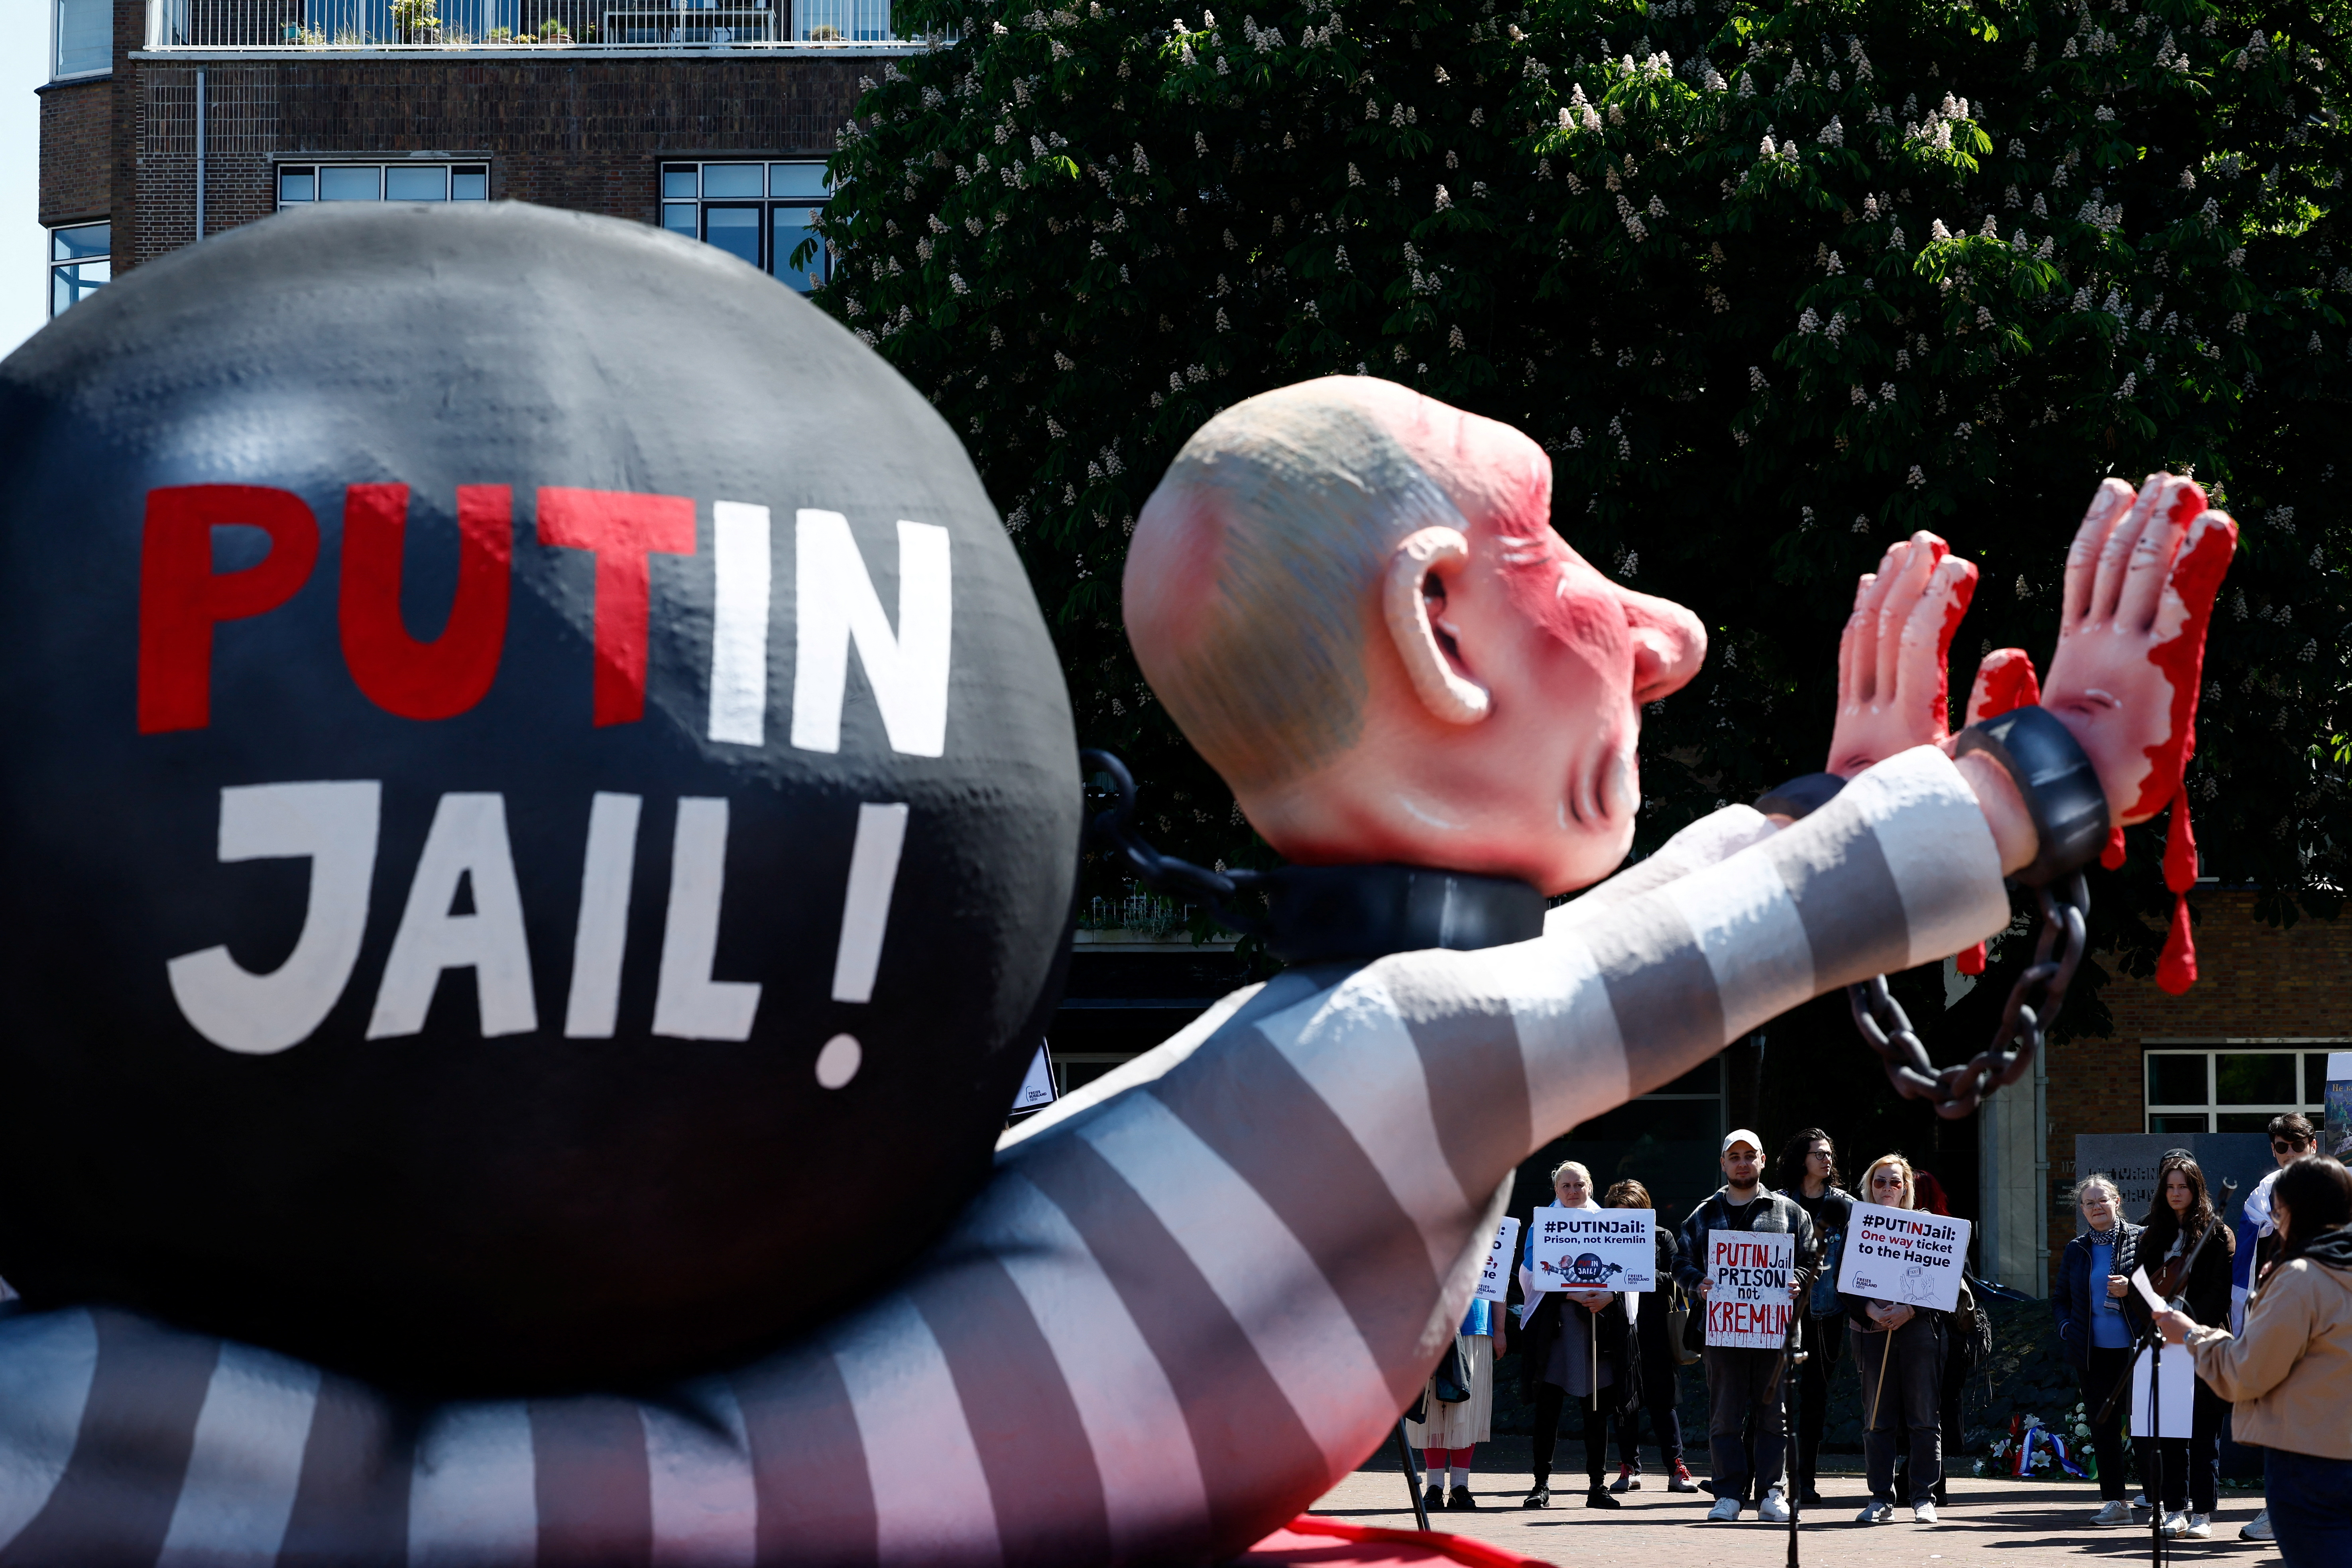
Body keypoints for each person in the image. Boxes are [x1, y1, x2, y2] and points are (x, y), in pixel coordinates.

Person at [0, 382, 2240, 1563]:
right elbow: (1672, 962)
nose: (1652, 629)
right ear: (1441, 630)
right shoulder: (1385, 1056)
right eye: (1569, 556)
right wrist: (2048, 772)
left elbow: (1662, 933)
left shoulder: (1292, 1051)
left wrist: (1828, 810)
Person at [2155, 1156, 2352, 1568]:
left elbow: (2246, 1373)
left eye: (2275, 1209)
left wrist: (2191, 1335)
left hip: (2311, 1463)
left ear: (2289, 1210)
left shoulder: (2300, 1277)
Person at [1676, 1129, 1815, 1523]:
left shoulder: (1790, 1213)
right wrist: (1696, 1283)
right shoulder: (1701, 1215)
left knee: (1774, 1416)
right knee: (1724, 1416)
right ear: (1722, 1163)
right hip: (1722, 1333)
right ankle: (1727, 1495)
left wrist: (1799, 1279)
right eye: (1733, 1156)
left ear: (1762, 1160)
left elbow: (1811, 1260)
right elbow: (1679, 1261)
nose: (1741, 1162)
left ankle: (1772, 1492)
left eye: (1748, 1155)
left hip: (1774, 1333)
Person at [1519, 1161, 1640, 1509]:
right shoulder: (1541, 1225)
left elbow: (1629, 1272)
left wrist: (1611, 1295)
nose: (1573, 1191)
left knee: (1596, 1409)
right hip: (1556, 1329)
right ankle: (1541, 1484)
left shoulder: (1609, 1222)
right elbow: (1530, 1273)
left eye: (1579, 1184)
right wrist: (1568, 1292)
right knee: (1548, 1408)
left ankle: (1596, 1486)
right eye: (1565, 1186)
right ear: (1555, 1190)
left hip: (1597, 1328)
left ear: (1590, 1185)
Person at [2132, 1150, 2235, 1540]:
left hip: (2202, 1341)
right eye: (2170, 1187)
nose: (2176, 1194)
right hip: (2160, 1344)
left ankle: (2203, 1515)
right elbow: (2137, 1286)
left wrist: (2187, 1327)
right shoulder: (2151, 1232)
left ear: (2196, 1190)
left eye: (2183, 1187)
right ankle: (2174, 1509)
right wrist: (2157, 1323)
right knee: (2170, 1434)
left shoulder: (2216, 1233)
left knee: (2204, 1433)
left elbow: (2217, 1293)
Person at [1844, 1154, 1945, 1527]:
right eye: (1880, 1181)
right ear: (1870, 1186)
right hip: (1871, 1332)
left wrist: (1911, 1310)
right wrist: (1870, 1310)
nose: (1887, 1188)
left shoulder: (1928, 1226)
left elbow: (1942, 1283)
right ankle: (1880, 1497)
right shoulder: (1857, 1225)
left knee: (1923, 1417)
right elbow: (1844, 1280)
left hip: (1917, 1331)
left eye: (1895, 1182)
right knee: (1877, 1418)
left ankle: (1923, 1496)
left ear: (1907, 1188)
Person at [2231, 1111, 2318, 1544]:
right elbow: (2255, 1241)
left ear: (2312, 1145)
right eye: (2280, 1147)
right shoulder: (2264, 1191)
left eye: (2296, 1145)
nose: (2288, 1154)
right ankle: (2278, 1510)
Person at [2054, 1173, 2143, 1525]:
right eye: (2089, 1203)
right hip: (2092, 1355)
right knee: (2103, 1427)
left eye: (2102, 1200)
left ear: (2117, 1201)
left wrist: (2131, 1289)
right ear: (2082, 1210)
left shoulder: (2142, 1239)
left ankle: (2160, 1501)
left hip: (2137, 1350)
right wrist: (2067, 1327)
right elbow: (2060, 1298)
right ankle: (2116, 1503)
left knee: (2146, 1427)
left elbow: (2162, 1290)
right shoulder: (2077, 1249)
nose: (2096, 1207)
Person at [1604, 1177, 1696, 1494]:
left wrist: (1641, 1276)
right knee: (1624, 1402)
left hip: (1656, 1329)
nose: (1625, 1223)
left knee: (1663, 1401)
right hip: (1620, 1329)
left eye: (1631, 1215)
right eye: (1618, 1216)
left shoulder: (1662, 1237)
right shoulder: (1604, 1239)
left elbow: (1677, 1276)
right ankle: (1629, 1466)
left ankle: (1676, 1467)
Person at [1780, 1127, 1852, 1505]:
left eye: (1829, 1153)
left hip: (1826, 1316)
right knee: (1768, 1392)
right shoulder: (1777, 1203)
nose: (1826, 1159)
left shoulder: (1844, 1206)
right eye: (1818, 1153)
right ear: (1800, 1159)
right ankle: (1746, 1477)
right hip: (1780, 1316)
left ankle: (1803, 1481)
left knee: (1813, 1399)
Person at [1405, 1288, 1506, 1511]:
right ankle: (1435, 1486)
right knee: (1433, 1411)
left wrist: (1500, 1330)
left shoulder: (1493, 1250)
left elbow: (1499, 1283)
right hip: (1432, 1324)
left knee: (1467, 1408)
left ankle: (1460, 1486)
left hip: (1476, 1327)